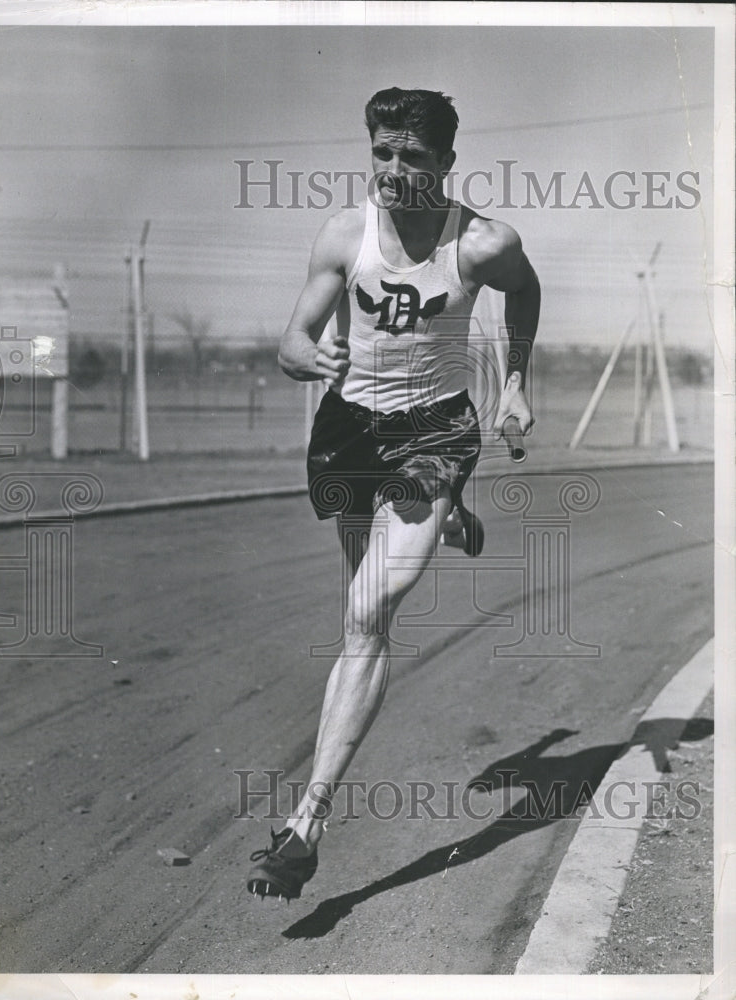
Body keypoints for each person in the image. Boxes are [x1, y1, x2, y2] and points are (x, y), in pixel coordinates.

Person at [247, 88, 539, 900]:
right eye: (381, 152)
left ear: (446, 163)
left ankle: (306, 823)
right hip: (349, 433)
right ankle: (446, 517)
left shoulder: (481, 243)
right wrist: (299, 352)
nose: (392, 171)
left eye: (412, 157)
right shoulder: (346, 233)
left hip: (434, 432)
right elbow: (293, 334)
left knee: (368, 611)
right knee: (361, 600)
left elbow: (526, 290)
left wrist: (513, 381)